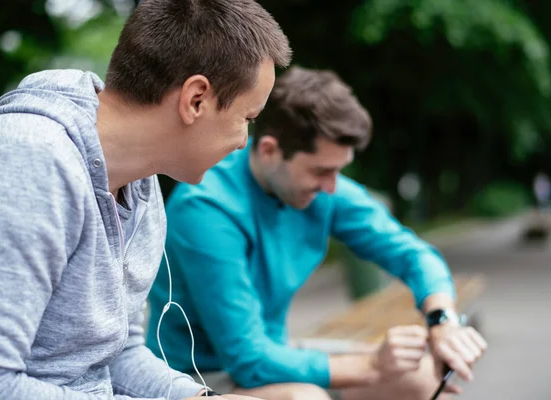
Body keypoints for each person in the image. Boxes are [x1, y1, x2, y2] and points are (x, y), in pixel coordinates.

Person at [0, 0, 291, 399]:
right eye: (247, 118)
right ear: (196, 99)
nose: (242, 142)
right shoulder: (23, 162)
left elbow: (117, 354)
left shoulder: (140, 182)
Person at [146, 66, 487, 400]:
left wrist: (442, 321)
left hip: (274, 352)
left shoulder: (321, 189)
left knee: (421, 378)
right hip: (196, 376)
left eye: (339, 170)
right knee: (305, 397)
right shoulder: (206, 208)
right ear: (269, 150)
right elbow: (248, 359)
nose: (332, 186)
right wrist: (371, 365)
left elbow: (413, 254)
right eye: (321, 170)